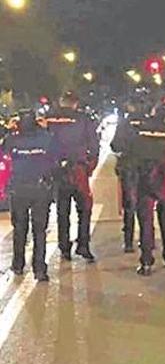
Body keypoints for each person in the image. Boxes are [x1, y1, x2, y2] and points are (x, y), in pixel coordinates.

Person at [4, 110, 59, 281]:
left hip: (19, 189)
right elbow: (57, 155)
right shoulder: (47, 138)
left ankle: (18, 265)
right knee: (39, 231)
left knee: (19, 229)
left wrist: (8, 129)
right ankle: (40, 269)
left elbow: (3, 150)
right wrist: (46, 129)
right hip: (40, 188)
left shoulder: (12, 139)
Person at [44, 92, 99, 262]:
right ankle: (83, 245)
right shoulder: (83, 119)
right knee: (85, 208)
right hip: (78, 170)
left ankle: (64, 247)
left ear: (61, 103)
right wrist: (89, 167)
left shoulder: (49, 119)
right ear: (75, 104)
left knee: (62, 210)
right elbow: (94, 145)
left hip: (58, 171)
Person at [128, 102, 165, 276]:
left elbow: (129, 152)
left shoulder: (139, 132)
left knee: (145, 222)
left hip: (143, 179)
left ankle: (146, 261)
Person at [111, 99, 146, 253]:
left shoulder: (124, 124)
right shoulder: (148, 123)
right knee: (145, 205)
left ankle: (128, 241)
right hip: (145, 167)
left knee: (129, 205)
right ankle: (146, 240)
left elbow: (115, 145)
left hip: (128, 167)